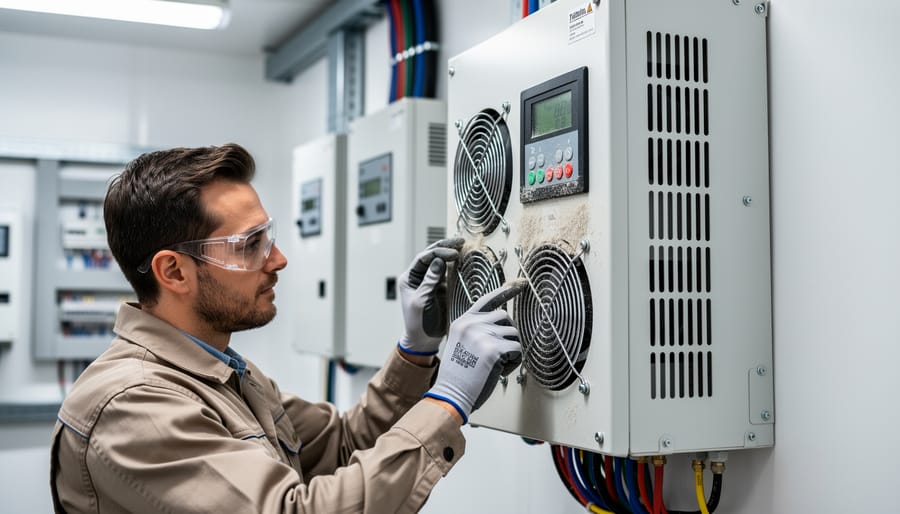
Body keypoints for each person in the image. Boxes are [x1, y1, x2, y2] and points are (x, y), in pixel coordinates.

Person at [49, 143, 525, 513]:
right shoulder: (131, 407)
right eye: (248, 245)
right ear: (173, 272)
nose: (277, 260)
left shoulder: (226, 374)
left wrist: (415, 352)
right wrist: (448, 402)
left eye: (268, 237)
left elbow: (343, 444)